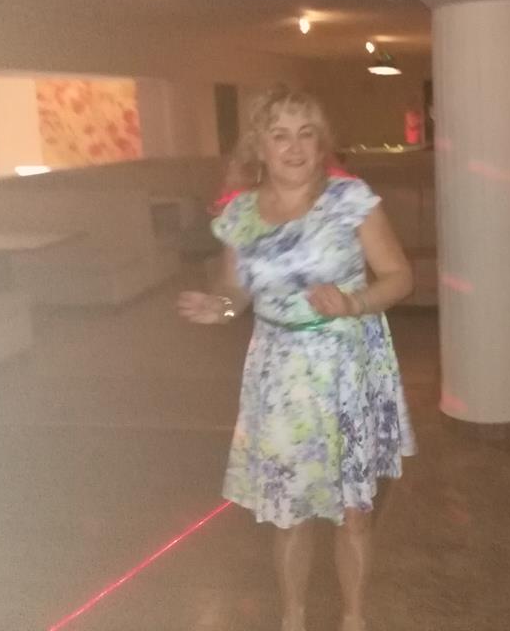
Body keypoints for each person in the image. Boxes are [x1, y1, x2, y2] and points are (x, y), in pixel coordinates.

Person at [178, 86, 416, 631]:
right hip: (279, 374)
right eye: (280, 134)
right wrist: (220, 307)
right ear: (258, 146)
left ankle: (354, 618)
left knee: (354, 512)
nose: (294, 146)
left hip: (346, 368)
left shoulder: (350, 199)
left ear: (321, 142)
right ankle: (293, 618)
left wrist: (354, 302)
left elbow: (400, 276)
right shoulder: (240, 213)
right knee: (290, 512)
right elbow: (235, 290)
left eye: (306, 134)